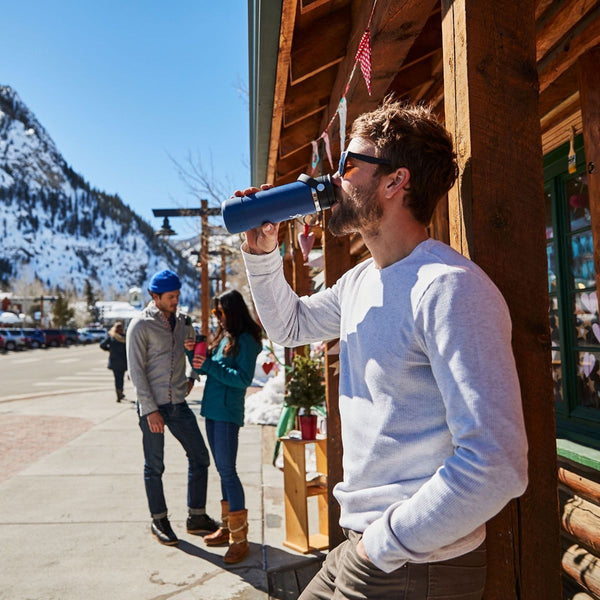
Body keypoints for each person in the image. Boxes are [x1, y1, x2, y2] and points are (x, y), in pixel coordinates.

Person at [238, 99, 529, 599]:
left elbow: (497, 461)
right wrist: (262, 254)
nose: (334, 177)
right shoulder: (360, 281)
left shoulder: (449, 289)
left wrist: (384, 543)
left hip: (413, 562)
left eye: (349, 164)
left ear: (396, 181)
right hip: (362, 549)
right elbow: (289, 326)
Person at [126, 269, 218, 546]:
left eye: (177, 295)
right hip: (152, 407)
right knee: (155, 466)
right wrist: (150, 409)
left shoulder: (183, 322)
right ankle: (159, 520)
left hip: (178, 403)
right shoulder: (140, 325)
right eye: (170, 297)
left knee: (200, 457)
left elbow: (197, 350)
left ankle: (196, 517)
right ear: (154, 296)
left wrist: (192, 376)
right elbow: (136, 371)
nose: (175, 301)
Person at [184, 289, 262, 564]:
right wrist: (193, 355)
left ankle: (239, 540)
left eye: (220, 312)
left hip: (228, 413)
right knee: (223, 471)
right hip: (213, 410)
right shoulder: (225, 337)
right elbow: (208, 368)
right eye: (215, 312)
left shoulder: (247, 340)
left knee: (228, 472)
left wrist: (210, 366)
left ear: (233, 311)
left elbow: (242, 379)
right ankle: (229, 528)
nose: (218, 317)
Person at [100, 321, 128, 402]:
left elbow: (102, 345)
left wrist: (109, 350)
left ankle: (118, 393)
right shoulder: (125, 338)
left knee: (117, 378)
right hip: (123, 361)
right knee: (121, 377)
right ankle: (120, 392)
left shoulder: (112, 337)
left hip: (114, 361)